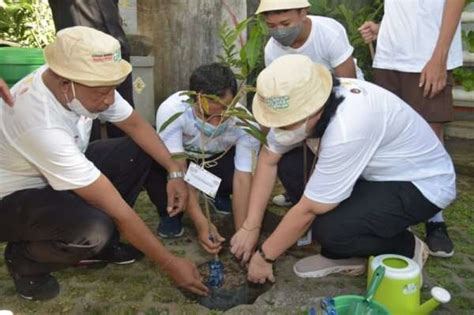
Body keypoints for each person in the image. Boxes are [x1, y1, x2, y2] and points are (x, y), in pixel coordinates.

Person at [0, 26, 208, 300]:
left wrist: (173, 171)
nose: (109, 99)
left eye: (112, 89)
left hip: (54, 173)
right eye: (101, 92)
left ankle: (106, 245)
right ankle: (26, 261)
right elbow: (116, 208)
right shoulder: (41, 124)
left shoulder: (81, 84)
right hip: (12, 198)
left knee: (138, 150)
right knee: (95, 229)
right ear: (66, 83)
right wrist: (170, 264)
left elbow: (135, 125)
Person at [230, 55, 456, 283]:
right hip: (371, 171)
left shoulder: (348, 128)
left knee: (329, 229)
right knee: (289, 164)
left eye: (286, 123)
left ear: (313, 110)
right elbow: (269, 158)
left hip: (419, 182)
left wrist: (264, 257)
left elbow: (308, 210)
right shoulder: (314, 100)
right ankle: (347, 244)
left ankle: (404, 246)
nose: (280, 130)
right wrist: (251, 226)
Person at [358, 0, 463, 258]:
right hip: (389, 58)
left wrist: (439, 58)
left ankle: (435, 221)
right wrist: (382, 28)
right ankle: (393, 218)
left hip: (425, 58)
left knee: (431, 141)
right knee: (389, 140)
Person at [256, 0, 363, 208]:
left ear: (303, 12)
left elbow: (348, 84)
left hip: (340, 99)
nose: (279, 31)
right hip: (300, 108)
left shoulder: (327, 33)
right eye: (271, 26)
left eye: (285, 24)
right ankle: (300, 195)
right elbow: (280, 92)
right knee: (284, 154)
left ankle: (343, 197)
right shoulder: (272, 51)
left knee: (334, 151)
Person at [147, 63, 261, 251]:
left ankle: (218, 194)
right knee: (157, 164)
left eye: (223, 113)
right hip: (181, 164)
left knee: (238, 169)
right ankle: (170, 213)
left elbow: (242, 178)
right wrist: (202, 223)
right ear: (194, 100)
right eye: (207, 114)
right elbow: (179, 169)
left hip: (213, 162)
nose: (215, 122)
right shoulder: (173, 111)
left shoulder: (245, 123)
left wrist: (242, 232)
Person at [48, 0, 134, 139]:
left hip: (114, 49)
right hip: (81, 57)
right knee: (85, 121)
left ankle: (123, 155)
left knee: (124, 118)